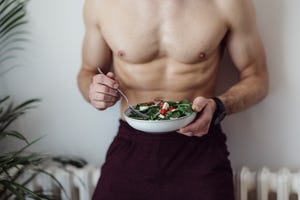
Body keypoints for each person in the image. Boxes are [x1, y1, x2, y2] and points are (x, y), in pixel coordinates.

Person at [77, 0, 269, 199]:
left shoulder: (228, 3)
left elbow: (257, 78)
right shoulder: (102, 4)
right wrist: (95, 92)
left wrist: (219, 106)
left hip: (200, 148)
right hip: (132, 144)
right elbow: (87, 71)